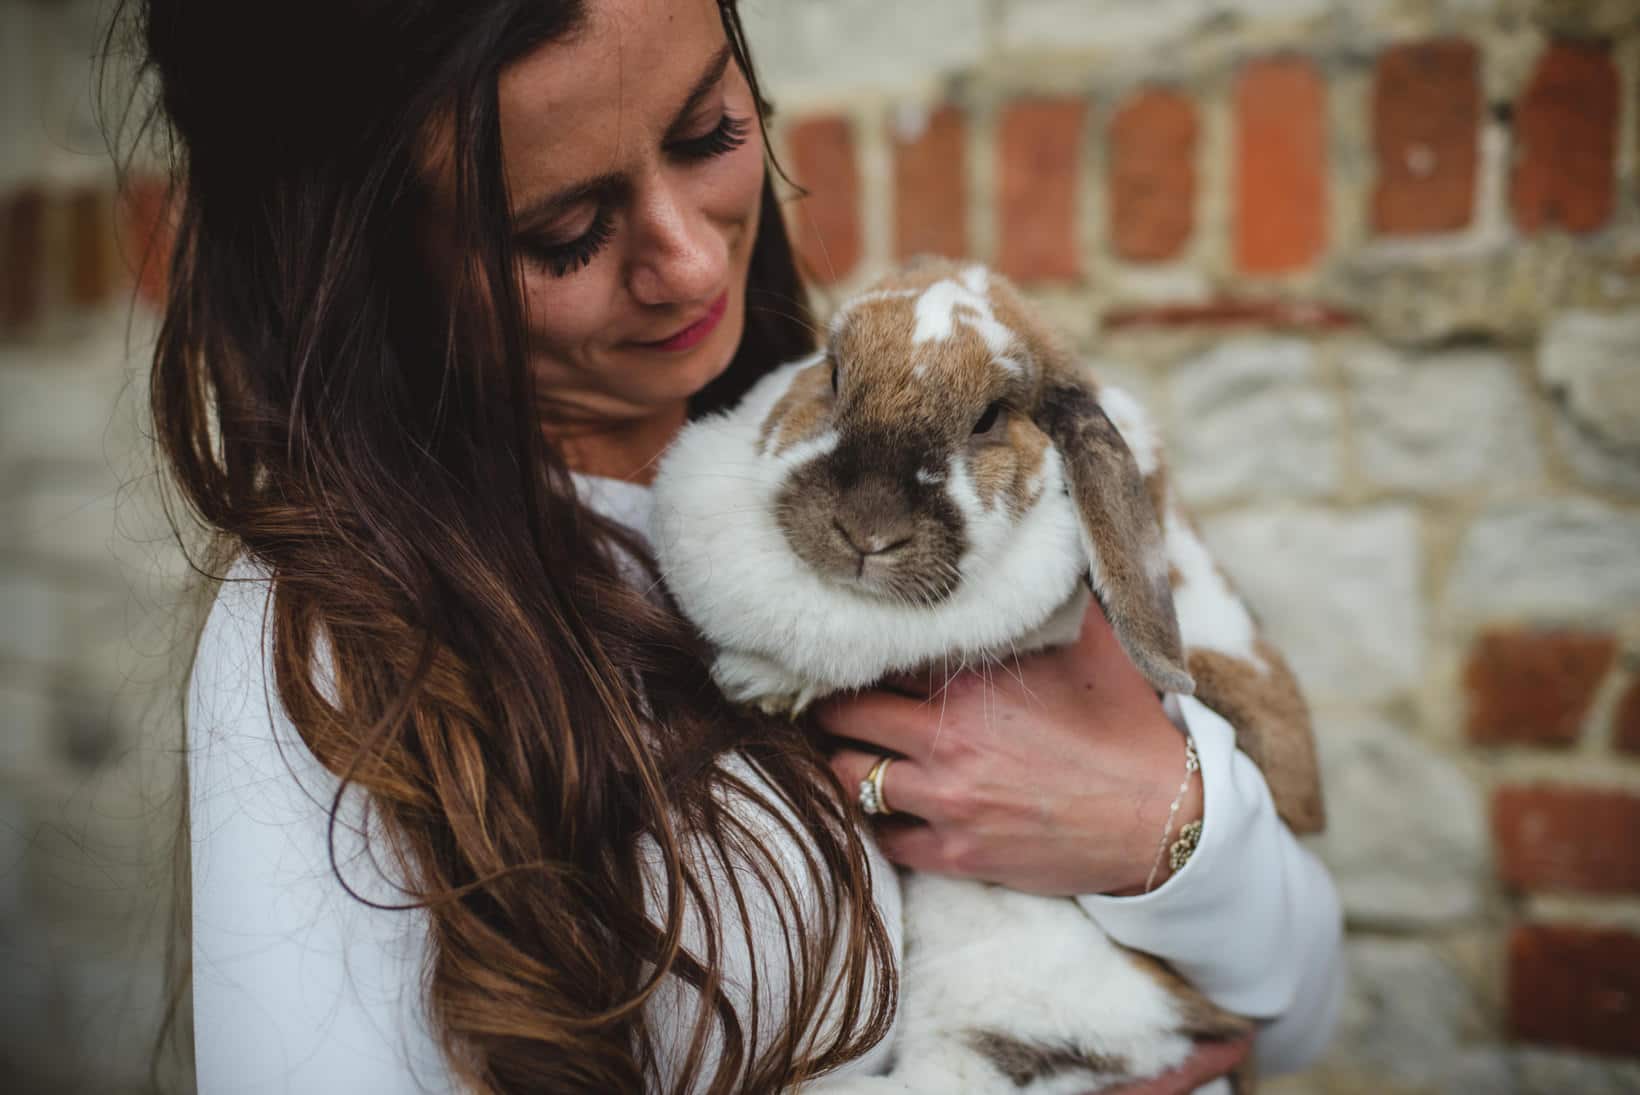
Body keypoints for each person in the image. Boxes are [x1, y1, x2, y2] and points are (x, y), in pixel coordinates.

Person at [128, 0, 1345, 1090]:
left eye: (709, 134)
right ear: (369, 254)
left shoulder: (857, 453)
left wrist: (1167, 830)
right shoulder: (330, 646)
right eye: (562, 232)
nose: (694, 259)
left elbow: (1290, 1015)